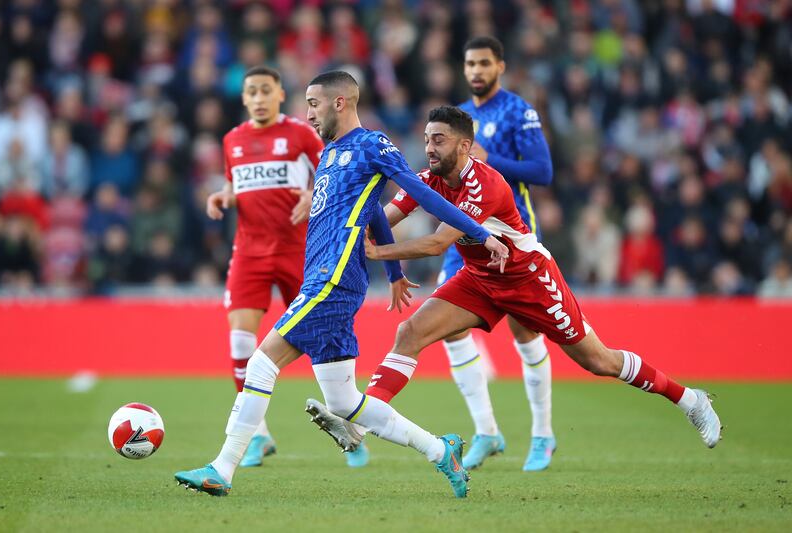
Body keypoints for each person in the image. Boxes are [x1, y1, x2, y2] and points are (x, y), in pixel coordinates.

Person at [305, 106, 722, 465]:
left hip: (530, 280)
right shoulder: (429, 179)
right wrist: (347, 232)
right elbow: (385, 217)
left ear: (465, 146)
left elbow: (437, 243)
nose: (430, 148)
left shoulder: (485, 184)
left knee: (600, 362)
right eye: (428, 139)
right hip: (480, 280)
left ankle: (689, 399)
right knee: (409, 332)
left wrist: (376, 254)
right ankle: (356, 422)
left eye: (440, 141)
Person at [174, 71, 510, 498]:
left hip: (333, 279)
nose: (307, 113)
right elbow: (371, 212)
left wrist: (479, 232)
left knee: (261, 364)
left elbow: (424, 196)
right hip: (320, 276)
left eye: (313, 103)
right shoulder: (331, 152)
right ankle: (440, 450)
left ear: (339, 103)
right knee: (343, 402)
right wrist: (393, 275)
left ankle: (222, 468)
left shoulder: (372, 144)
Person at [446, 35, 556, 471]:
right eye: (470, 63)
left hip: (511, 238)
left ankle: (543, 434)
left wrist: (492, 161)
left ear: (500, 66)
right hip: (462, 237)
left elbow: (542, 172)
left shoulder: (518, 111)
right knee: (450, 330)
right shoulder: (459, 117)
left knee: (525, 334)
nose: (475, 70)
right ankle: (487, 431)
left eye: (484, 63)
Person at [207, 66, 323, 467]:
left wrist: (311, 193)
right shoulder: (233, 140)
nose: (257, 98)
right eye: (251, 91)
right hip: (250, 250)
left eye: (265, 91)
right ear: (243, 99)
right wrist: (223, 197)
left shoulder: (300, 134)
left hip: (298, 249)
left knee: (321, 337)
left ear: (278, 95)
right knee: (240, 341)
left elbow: (332, 171)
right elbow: (234, 186)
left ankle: (348, 416)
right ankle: (256, 434)